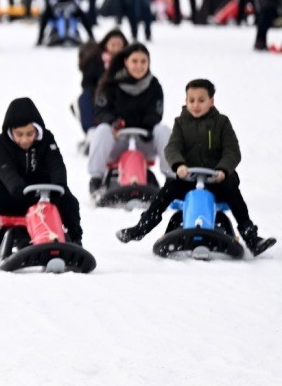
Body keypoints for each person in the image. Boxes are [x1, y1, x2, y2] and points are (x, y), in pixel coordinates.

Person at [116, 79, 274, 256]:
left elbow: (232, 150)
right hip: (188, 178)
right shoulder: (181, 123)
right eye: (191, 100)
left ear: (211, 101)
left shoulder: (221, 123)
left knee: (233, 193)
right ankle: (141, 227)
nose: (196, 105)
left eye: (201, 100)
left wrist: (223, 169)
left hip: (217, 179)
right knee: (166, 191)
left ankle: (250, 236)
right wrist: (179, 165)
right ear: (186, 101)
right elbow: (172, 147)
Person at [0, 98, 83, 268]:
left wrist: (59, 186)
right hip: (14, 198)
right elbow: (6, 170)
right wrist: (18, 189)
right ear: (11, 131)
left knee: (70, 200)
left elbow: (56, 164)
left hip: (44, 198)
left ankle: (76, 242)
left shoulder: (47, 140)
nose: (25, 139)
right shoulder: (1, 143)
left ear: (37, 130)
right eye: (19, 134)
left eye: (30, 133)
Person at [87, 43, 174, 195]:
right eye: (135, 61)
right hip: (117, 140)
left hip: (143, 140)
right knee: (102, 130)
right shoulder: (111, 84)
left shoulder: (154, 86)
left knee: (163, 130)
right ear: (126, 61)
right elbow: (101, 110)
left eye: (143, 62)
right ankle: (95, 179)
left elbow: (156, 114)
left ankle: (172, 180)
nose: (139, 66)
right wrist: (113, 122)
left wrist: (145, 125)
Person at [75, 28, 128, 135]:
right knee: (84, 98)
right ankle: (91, 132)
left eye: (119, 45)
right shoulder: (95, 60)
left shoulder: (130, 62)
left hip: (121, 97)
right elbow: (87, 83)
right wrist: (101, 91)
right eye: (113, 44)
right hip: (97, 96)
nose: (116, 48)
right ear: (106, 44)